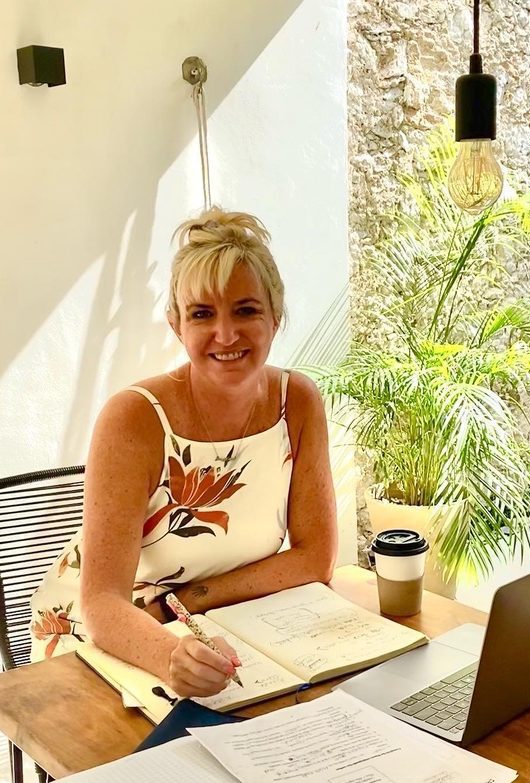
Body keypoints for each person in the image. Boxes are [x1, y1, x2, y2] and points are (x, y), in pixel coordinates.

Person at [30, 207, 338, 699]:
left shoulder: (297, 401)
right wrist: (170, 655)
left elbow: (314, 559)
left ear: (275, 317)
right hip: (103, 640)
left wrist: (188, 601)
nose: (226, 335)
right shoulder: (133, 417)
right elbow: (103, 601)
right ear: (176, 325)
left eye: (245, 310)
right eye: (202, 314)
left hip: (215, 622)